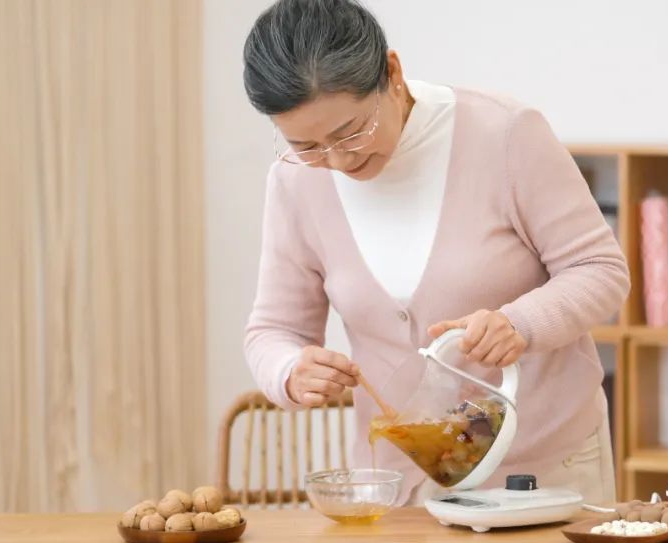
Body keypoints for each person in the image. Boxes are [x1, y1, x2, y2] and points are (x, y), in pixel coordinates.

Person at [242, 0, 629, 505]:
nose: (337, 160)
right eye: (306, 145)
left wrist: (520, 324)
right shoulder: (295, 181)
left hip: (542, 472)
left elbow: (600, 269)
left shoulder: (504, 134)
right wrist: (289, 371)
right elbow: (274, 330)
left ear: (392, 73)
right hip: (396, 487)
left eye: (350, 132)